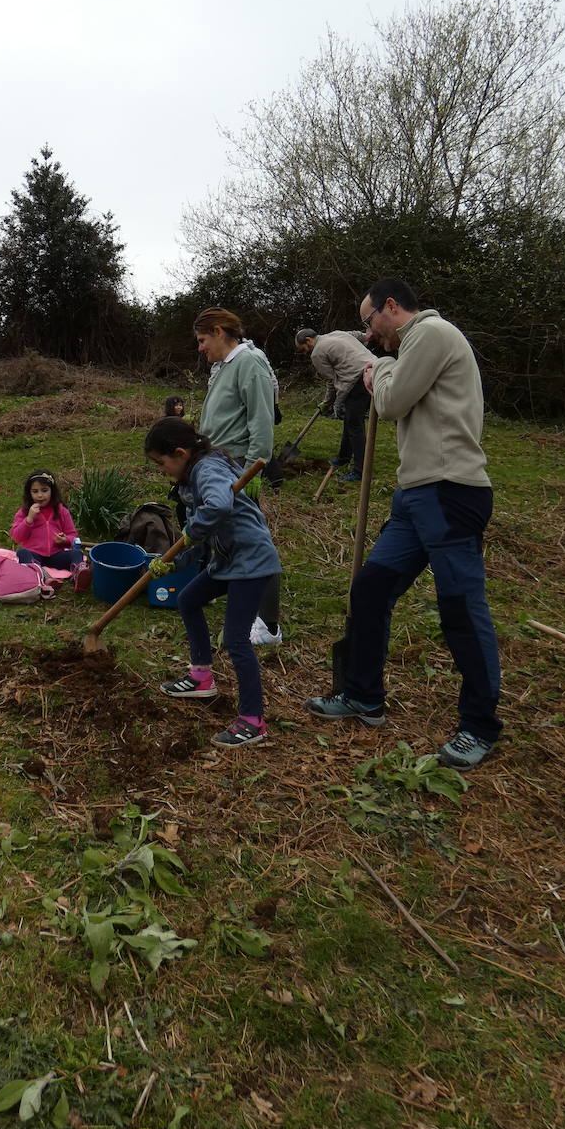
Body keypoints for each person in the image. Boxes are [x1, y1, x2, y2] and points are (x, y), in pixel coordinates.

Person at [304, 278, 502, 771]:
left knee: (459, 608)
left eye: (370, 322)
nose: (369, 335)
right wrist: (384, 367)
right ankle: (362, 694)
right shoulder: (412, 344)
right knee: (370, 589)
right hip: (415, 494)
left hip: (451, 492)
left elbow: (390, 402)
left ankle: (479, 726)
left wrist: (381, 369)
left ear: (391, 307)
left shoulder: (431, 334)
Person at [145, 417, 282, 748]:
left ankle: (252, 721)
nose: (162, 470)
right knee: (188, 600)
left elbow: (218, 507)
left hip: (251, 561)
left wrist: (192, 533)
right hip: (227, 560)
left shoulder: (208, 470)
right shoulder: (192, 478)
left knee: (236, 640)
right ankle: (201, 677)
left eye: (162, 463)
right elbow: (198, 539)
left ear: (179, 453)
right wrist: (174, 562)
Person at [194, 306, 282, 646]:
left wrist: (252, 471)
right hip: (218, 466)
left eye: (203, 340)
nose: (200, 348)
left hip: (239, 469)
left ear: (218, 331)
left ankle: (269, 624)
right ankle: (228, 591)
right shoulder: (223, 366)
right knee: (226, 535)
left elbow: (262, 423)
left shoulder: (250, 362)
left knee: (255, 543)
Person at [294, 327, 376, 480]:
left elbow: (331, 381)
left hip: (357, 380)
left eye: (303, 349)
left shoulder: (317, 353)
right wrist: (366, 336)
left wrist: (328, 403)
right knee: (351, 421)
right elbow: (356, 334)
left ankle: (361, 472)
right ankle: (343, 458)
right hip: (374, 369)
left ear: (308, 340)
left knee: (355, 425)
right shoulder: (336, 334)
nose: (304, 353)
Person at [9, 469, 83, 570]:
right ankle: (38, 573)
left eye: (44, 490)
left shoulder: (61, 511)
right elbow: (17, 536)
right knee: (22, 553)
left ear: (52, 491)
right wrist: (29, 519)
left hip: (56, 555)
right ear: (29, 493)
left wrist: (65, 540)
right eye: (35, 491)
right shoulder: (25, 512)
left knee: (77, 553)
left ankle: (78, 571)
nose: (40, 495)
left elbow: (72, 535)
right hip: (35, 555)